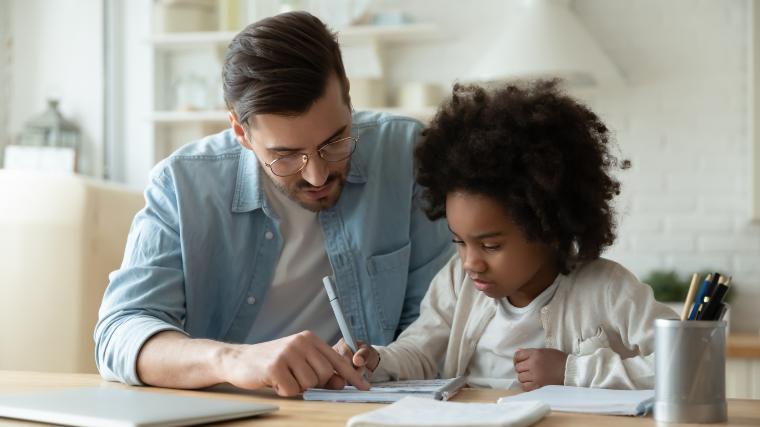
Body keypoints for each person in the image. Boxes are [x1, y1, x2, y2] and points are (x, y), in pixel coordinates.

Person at [94, 11, 453, 397]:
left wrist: (382, 361)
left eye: (335, 141)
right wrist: (234, 360)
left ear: (348, 94)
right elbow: (120, 332)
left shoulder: (406, 156)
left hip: (369, 407)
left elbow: (440, 322)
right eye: (286, 155)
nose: (317, 174)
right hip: (231, 411)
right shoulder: (182, 185)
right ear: (240, 131)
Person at [337, 80, 676, 391]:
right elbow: (419, 351)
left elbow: (683, 364)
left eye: (490, 245)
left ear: (549, 229)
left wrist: (574, 372)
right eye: (459, 241)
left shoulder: (608, 290)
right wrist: (379, 360)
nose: (471, 263)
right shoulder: (457, 283)